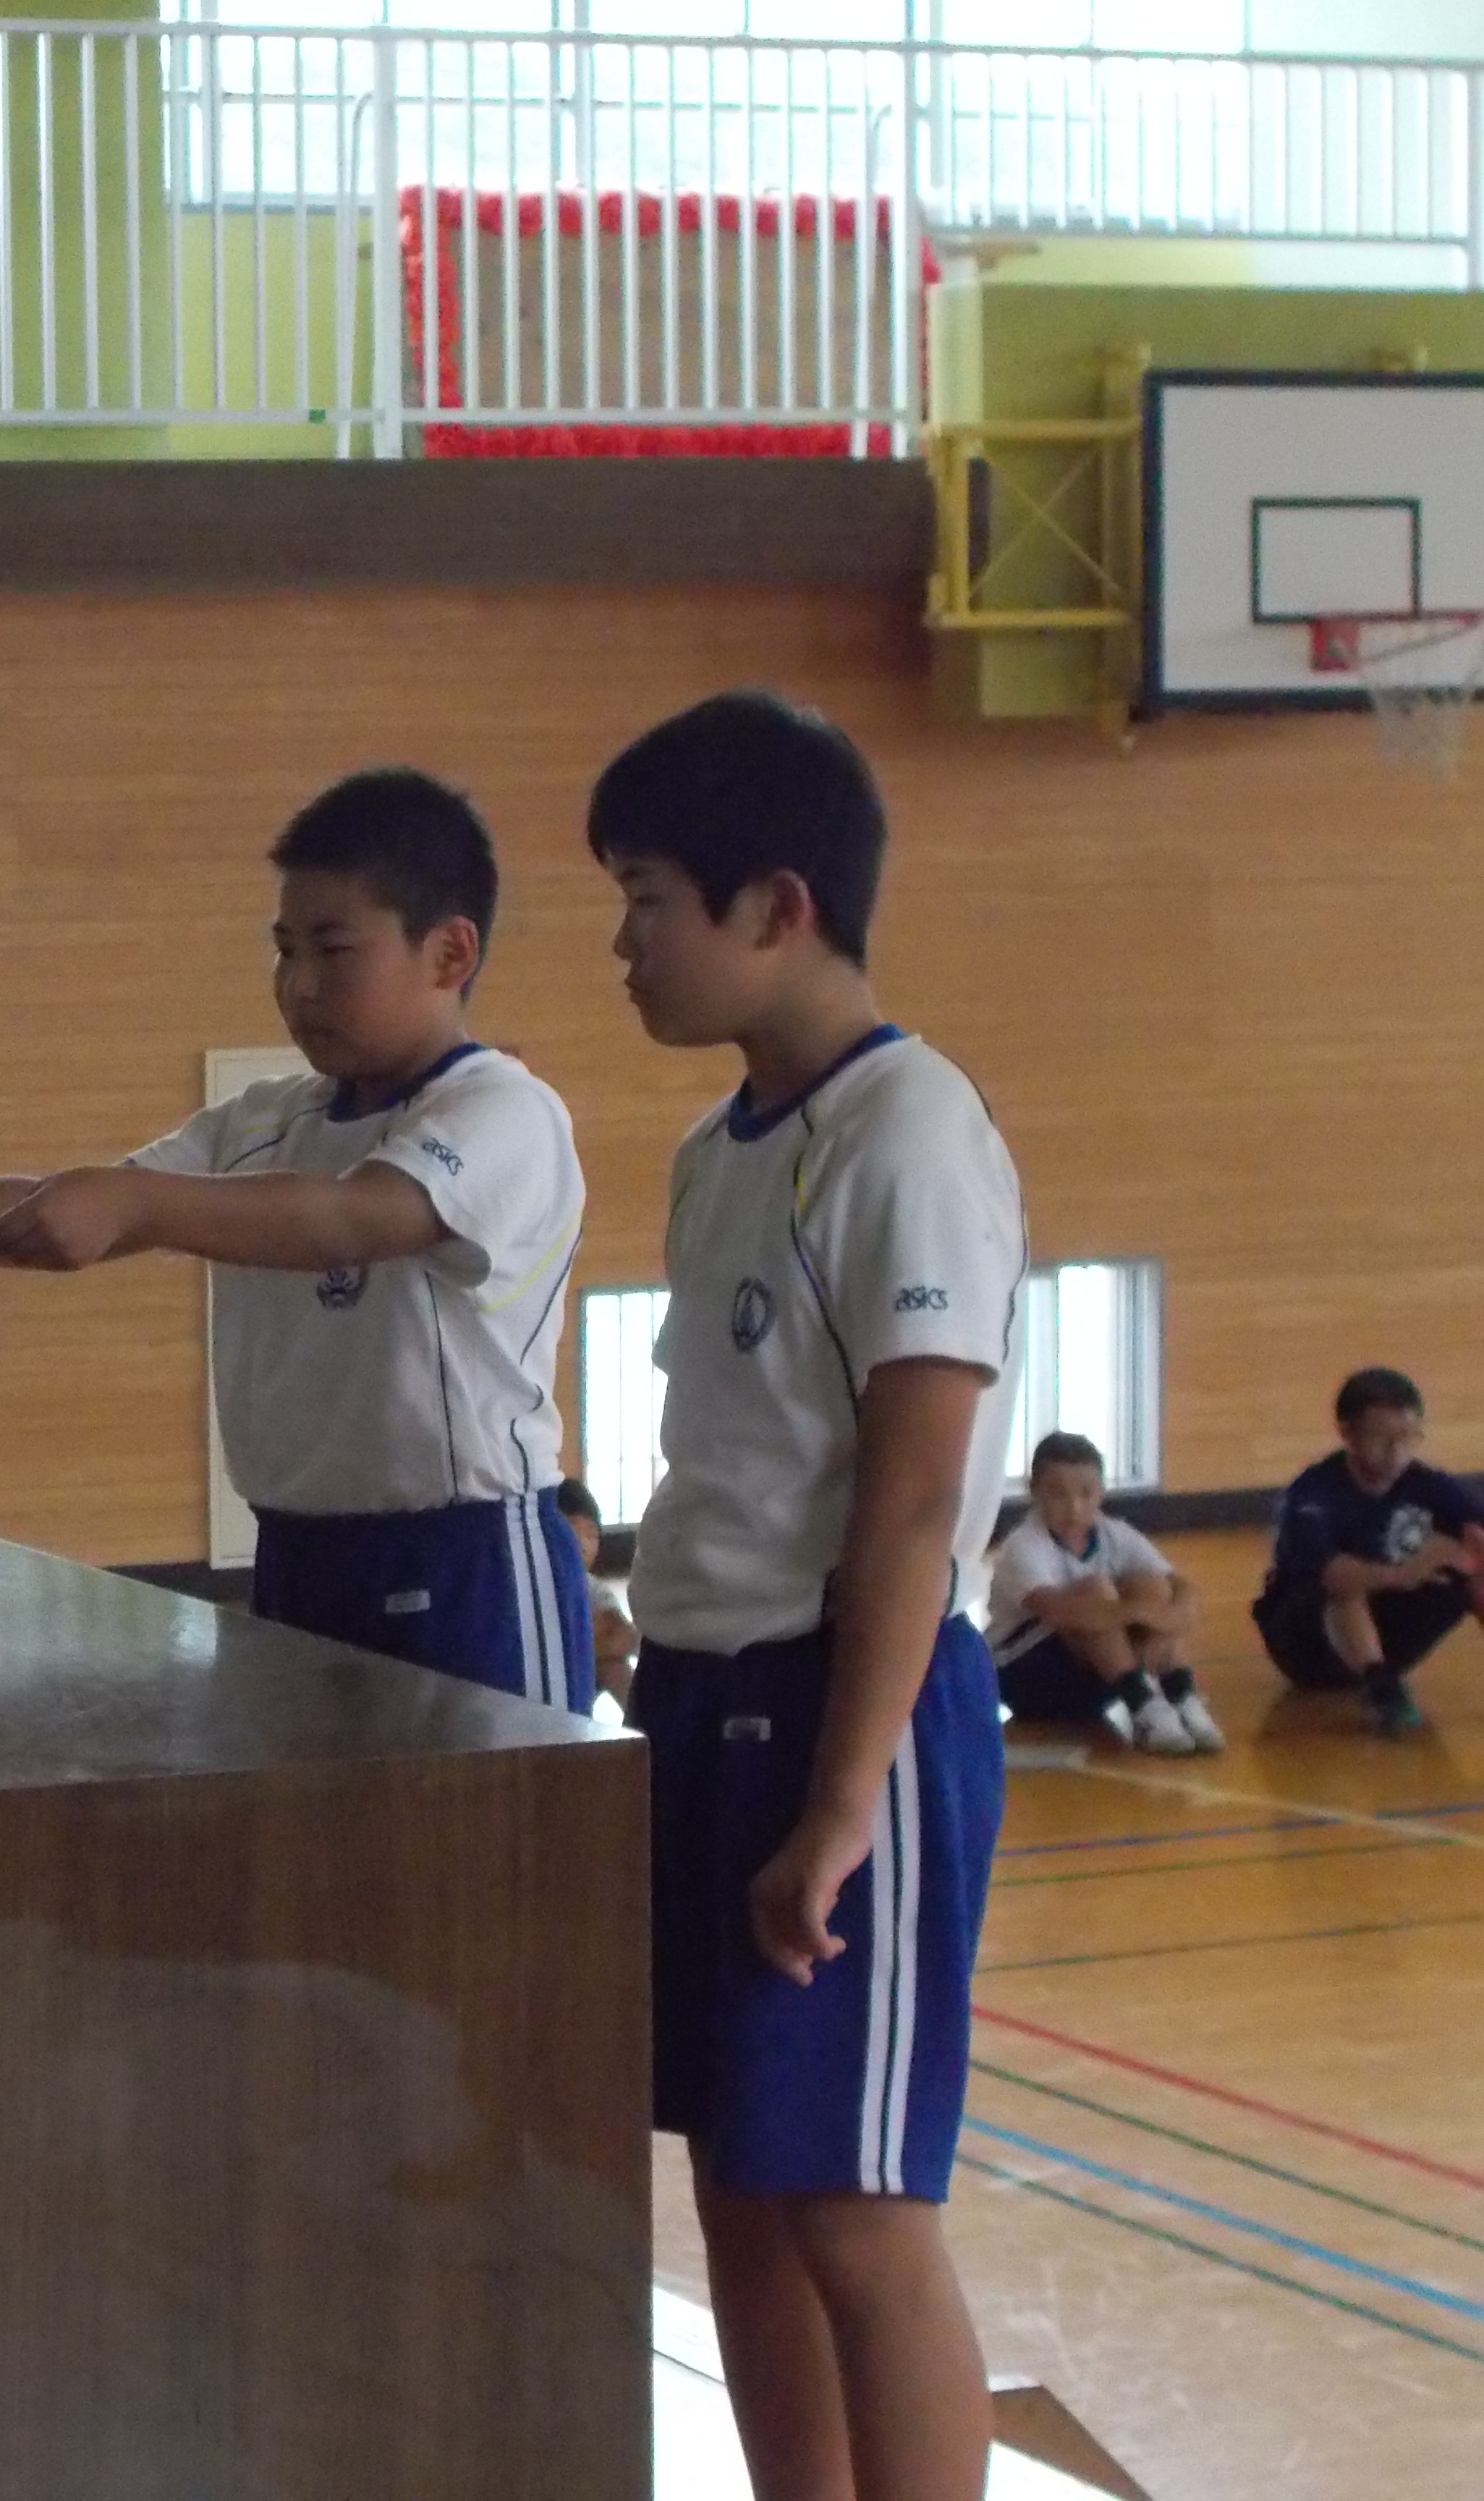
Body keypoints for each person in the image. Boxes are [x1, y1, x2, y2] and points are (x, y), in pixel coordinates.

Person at [595, 690, 1026, 2501]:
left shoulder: (908, 1129)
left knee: (854, 2204)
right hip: (705, 1698)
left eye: (647, 900)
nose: (623, 943)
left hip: (855, 1712)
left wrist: (843, 1804)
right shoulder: (718, 1153)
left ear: (776, 906)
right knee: (741, 2184)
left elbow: (913, 1498)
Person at [0, 769, 593, 1713]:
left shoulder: (504, 1109)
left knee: (502, 1817)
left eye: (334, 949)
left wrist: (136, 1204)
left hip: (465, 1564)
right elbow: (64, 1210)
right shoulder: (261, 1120)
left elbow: (353, 1217)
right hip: (297, 1556)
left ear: (450, 952)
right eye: (284, 950)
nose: (299, 985)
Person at [1252, 1366, 1484, 1736]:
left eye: (1408, 1438)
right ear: (1348, 1434)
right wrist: (1404, 1573)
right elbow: (1329, 1575)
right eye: (1382, 1440)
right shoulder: (1314, 1495)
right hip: (1309, 1644)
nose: (1397, 1453)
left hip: (1388, 1629)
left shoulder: (1426, 1484)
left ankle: (1385, 1675)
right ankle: (1383, 1692)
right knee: (1345, 1585)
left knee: (1473, 1568)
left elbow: (1474, 1525)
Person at [988, 1430, 1219, 1755]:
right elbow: (1061, 1612)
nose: (1074, 1508)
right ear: (1034, 1491)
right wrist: (1141, 1613)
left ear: (1102, 1492)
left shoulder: (1115, 1533)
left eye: (1086, 1493)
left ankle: (1180, 1695)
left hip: (1102, 1674)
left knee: (1152, 1584)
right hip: (1028, 1678)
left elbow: (1181, 1587)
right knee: (1095, 1592)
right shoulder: (1023, 1545)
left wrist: (1171, 1615)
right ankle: (1143, 1705)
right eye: (1058, 1495)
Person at [554, 1476, 639, 1711]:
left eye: (592, 1535)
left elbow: (621, 1634)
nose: (583, 1544)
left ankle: (648, 1725)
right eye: (572, 1530)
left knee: (613, 1664)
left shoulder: (592, 1587)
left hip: (581, 1668)